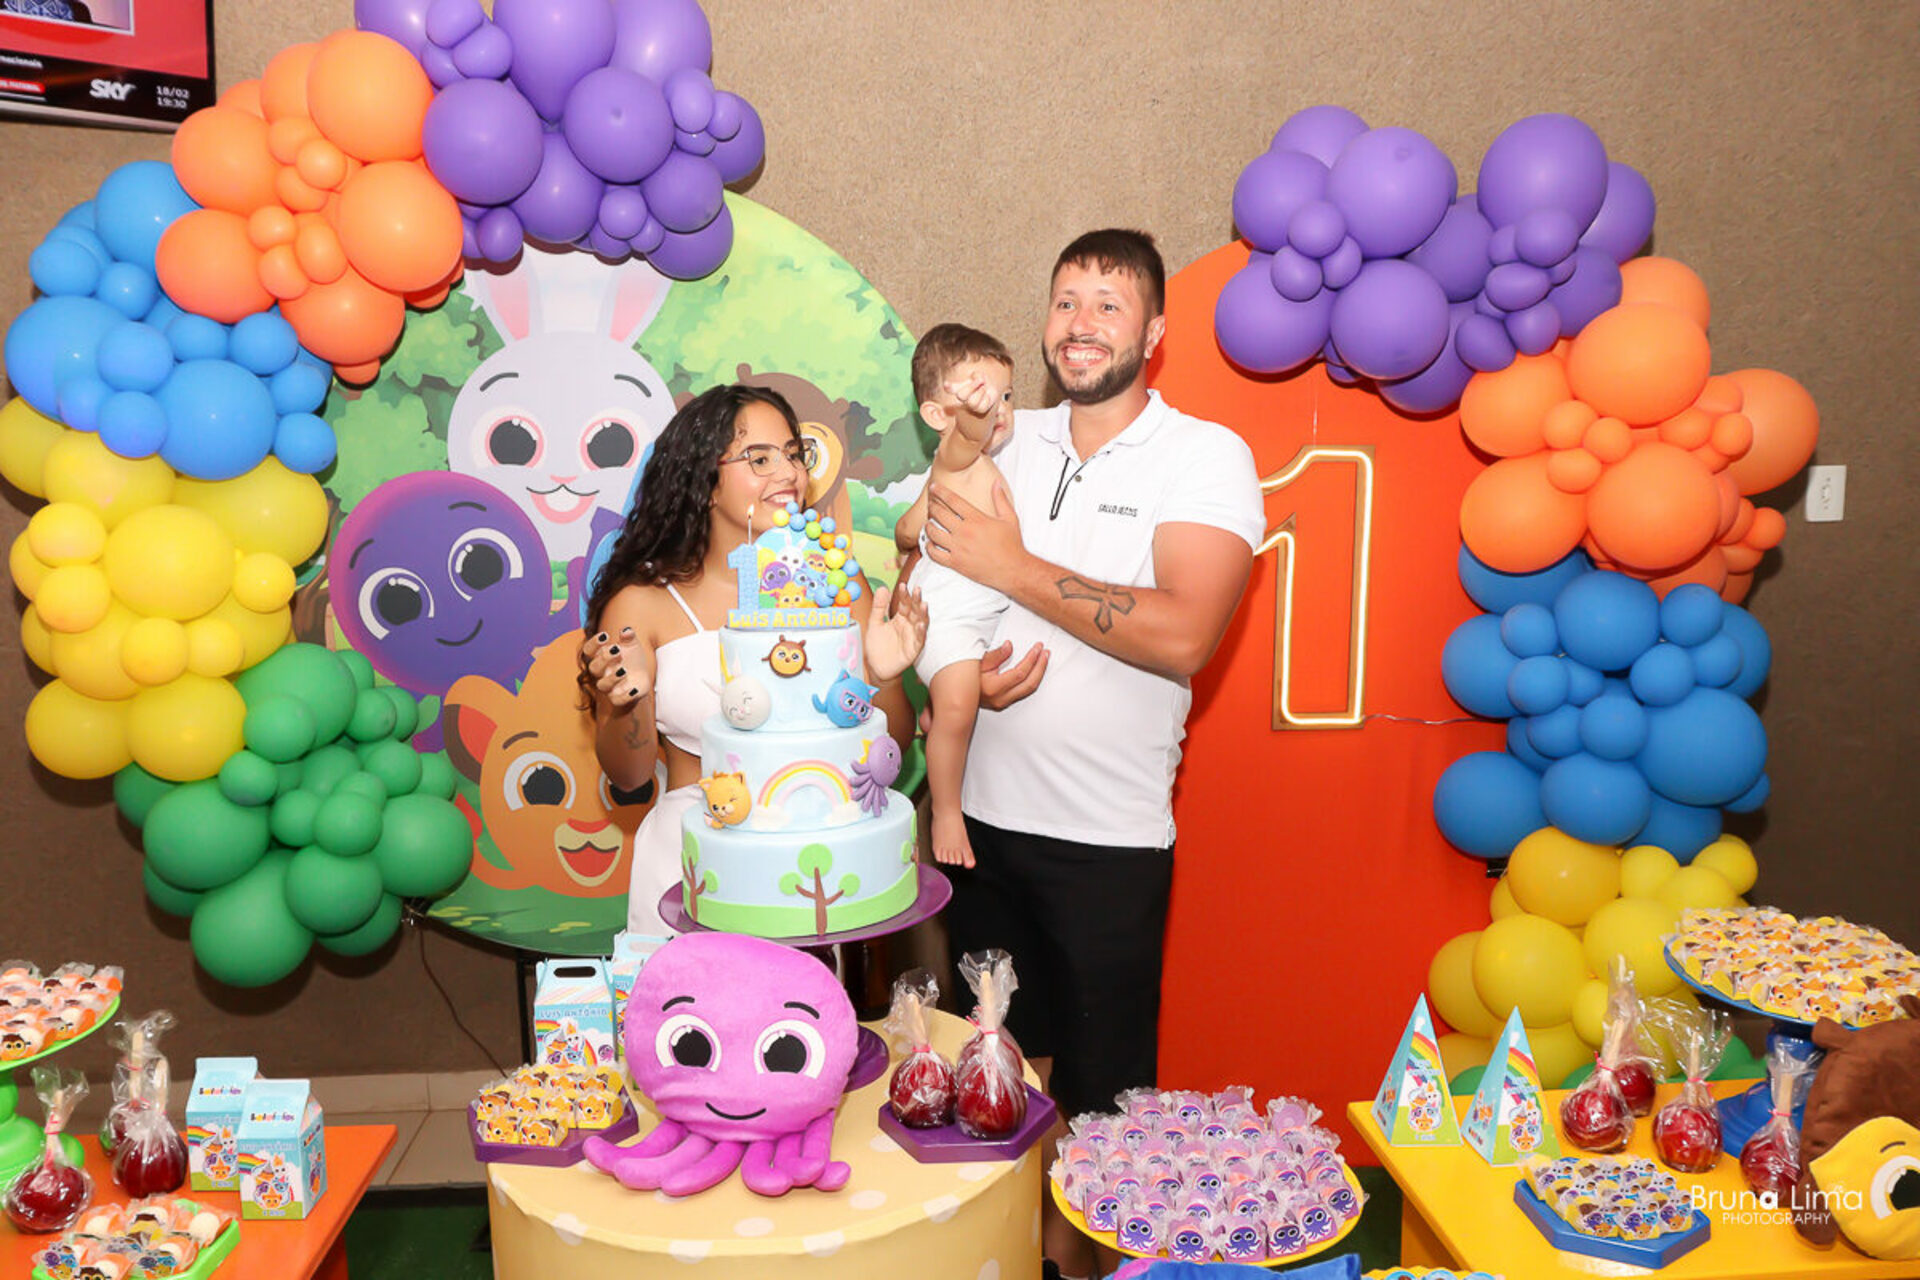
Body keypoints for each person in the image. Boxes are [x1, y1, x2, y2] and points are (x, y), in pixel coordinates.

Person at [920, 229, 1264, 1276]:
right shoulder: (1002, 437)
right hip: (976, 831)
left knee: (1104, 1107)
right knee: (991, 1080)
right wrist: (962, 672)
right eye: (1066, 300)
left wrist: (1014, 566)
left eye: (1110, 305)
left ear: (1153, 334)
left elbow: (1184, 631)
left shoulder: (1203, 454)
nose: (1082, 322)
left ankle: (1087, 1267)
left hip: (1106, 842)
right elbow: (919, 564)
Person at [580, 383, 925, 938]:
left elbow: (892, 747)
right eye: (759, 459)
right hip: (693, 865)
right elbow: (628, 775)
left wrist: (885, 679)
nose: (788, 473)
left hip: (813, 866)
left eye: (793, 453)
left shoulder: (836, 585)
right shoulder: (642, 604)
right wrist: (627, 703)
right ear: (704, 481)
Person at [894, 324, 1017, 869]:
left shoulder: (963, 471)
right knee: (960, 708)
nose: (998, 410)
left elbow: (907, 527)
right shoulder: (960, 455)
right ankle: (946, 812)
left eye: (1006, 396)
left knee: (951, 707)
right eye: (978, 396)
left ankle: (935, 715)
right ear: (937, 416)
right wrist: (974, 417)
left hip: (975, 611)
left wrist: (909, 534)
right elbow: (968, 436)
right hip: (949, 615)